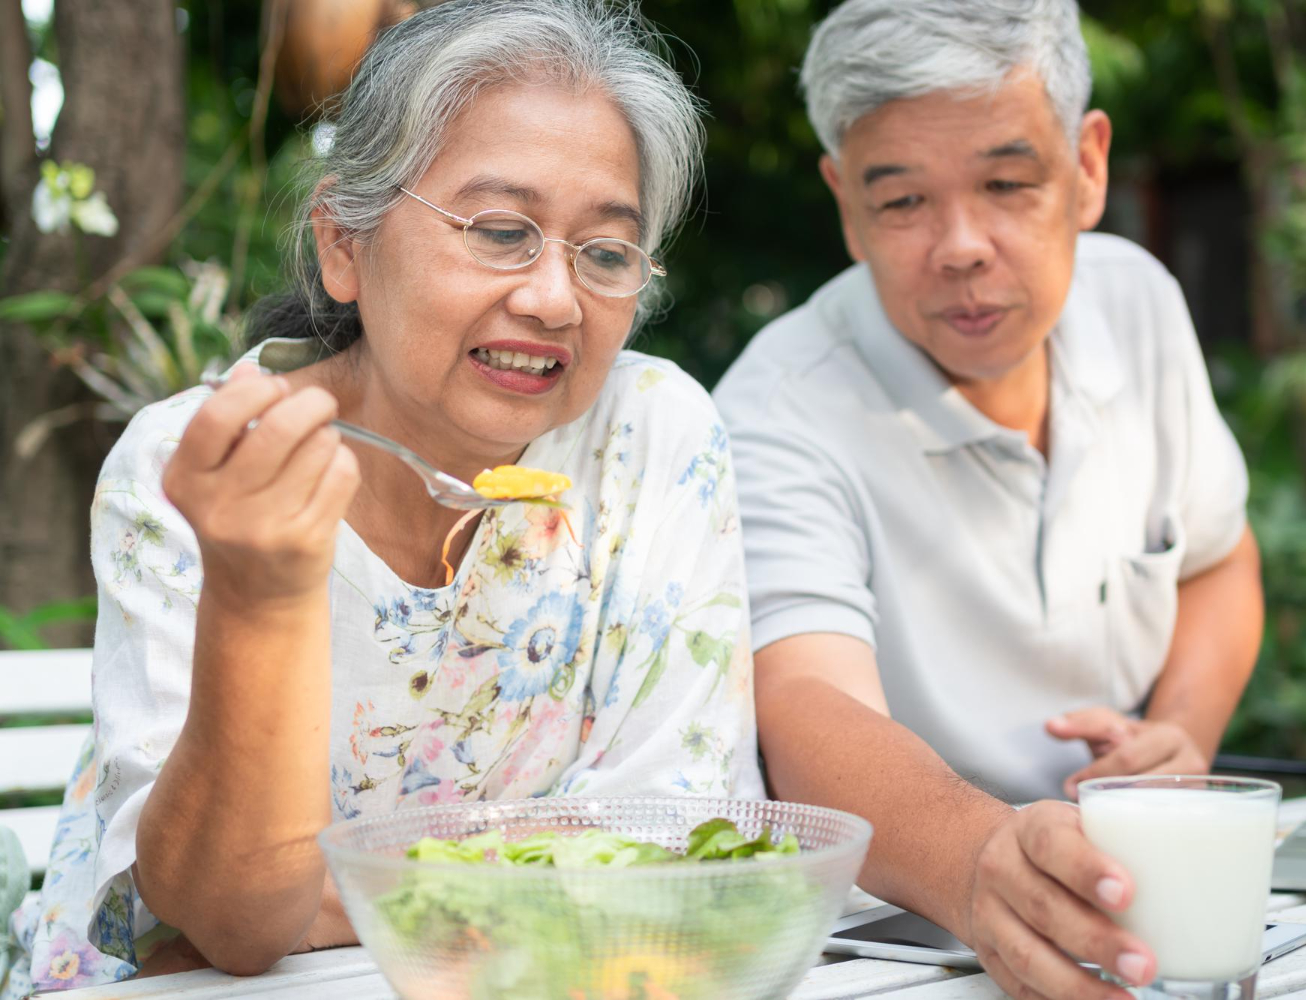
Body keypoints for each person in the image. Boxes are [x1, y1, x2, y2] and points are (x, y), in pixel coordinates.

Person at [1, 1, 761, 993]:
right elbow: (228, 922)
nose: (553, 297)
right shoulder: (201, 466)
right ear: (344, 245)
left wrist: (339, 890)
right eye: (500, 231)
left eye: (606, 252)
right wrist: (259, 593)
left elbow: (671, 848)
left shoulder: (656, 433)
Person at [712, 1, 1264, 997]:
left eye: (1007, 184)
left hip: (1147, 904)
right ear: (845, 205)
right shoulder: (776, 406)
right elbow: (802, 703)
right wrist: (979, 862)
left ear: (1087, 167)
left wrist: (1179, 741)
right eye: (903, 202)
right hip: (899, 939)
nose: (962, 245)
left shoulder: (1135, 304)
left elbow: (1220, 557)